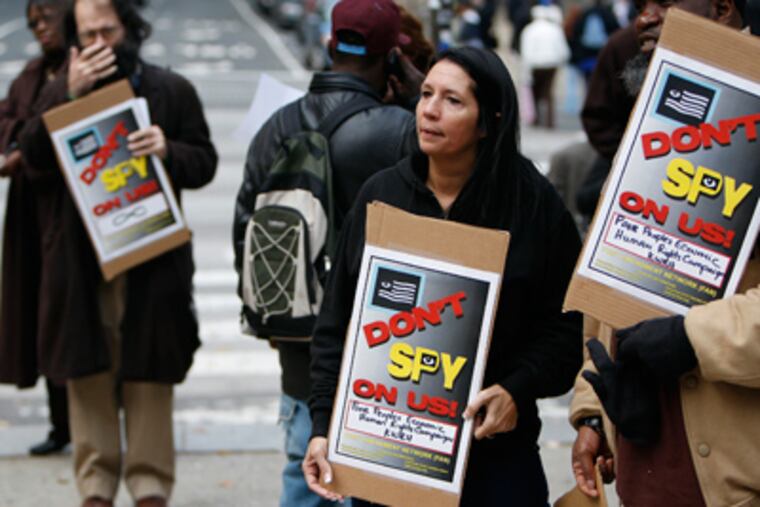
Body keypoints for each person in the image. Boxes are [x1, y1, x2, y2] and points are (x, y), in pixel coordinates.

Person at [303, 46, 583, 506]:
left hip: (496, 461)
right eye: (426, 93)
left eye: (452, 101)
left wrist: (517, 388)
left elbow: (569, 325)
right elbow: (336, 326)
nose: (429, 110)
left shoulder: (532, 202)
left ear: (488, 120)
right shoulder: (383, 196)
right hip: (389, 460)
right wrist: (321, 428)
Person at [16, 0, 217, 505]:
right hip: (79, 265)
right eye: (88, 35)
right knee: (87, 375)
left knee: (149, 376)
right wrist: (67, 90)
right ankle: (96, 489)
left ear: (130, 28)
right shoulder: (54, 89)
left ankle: (150, 487)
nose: (100, 44)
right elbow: (29, 154)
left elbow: (205, 162)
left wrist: (168, 149)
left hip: (151, 261)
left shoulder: (169, 89)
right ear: (74, 40)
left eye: (109, 31)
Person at [232, 0, 420, 505]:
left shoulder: (276, 124)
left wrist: (279, 324)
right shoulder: (398, 129)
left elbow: (243, 232)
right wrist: (419, 94)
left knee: (303, 468)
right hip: (378, 345)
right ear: (391, 58)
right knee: (367, 482)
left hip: (297, 341)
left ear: (330, 44)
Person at [568, 0, 750, 503]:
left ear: (721, 9)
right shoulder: (655, 119)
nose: (643, 20)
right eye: (640, 5)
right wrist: (591, 413)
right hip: (647, 466)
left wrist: (693, 336)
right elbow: (607, 293)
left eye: (662, 3)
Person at [0, 0, 71, 457]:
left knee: (67, 316)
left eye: (47, 18)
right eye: (33, 24)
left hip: (70, 212)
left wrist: (27, 144)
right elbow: (7, 119)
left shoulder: (79, 69)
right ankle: (59, 422)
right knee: (40, 314)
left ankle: (84, 422)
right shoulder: (31, 73)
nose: (41, 29)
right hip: (30, 213)